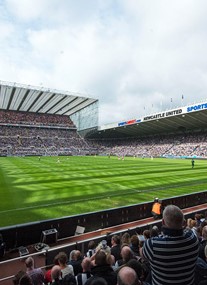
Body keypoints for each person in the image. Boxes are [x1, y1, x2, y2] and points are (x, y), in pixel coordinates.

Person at [142, 204, 199, 285]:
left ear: (163, 222)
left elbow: (143, 256)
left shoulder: (152, 245)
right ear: (184, 222)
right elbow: (187, 230)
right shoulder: (193, 239)